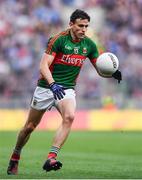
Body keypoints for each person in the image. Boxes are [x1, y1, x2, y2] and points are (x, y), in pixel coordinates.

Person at [7, 9, 122, 175]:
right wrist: (53, 84)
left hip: (67, 89)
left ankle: (51, 157)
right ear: (71, 24)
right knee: (30, 127)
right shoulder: (58, 40)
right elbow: (43, 65)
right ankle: (15, 155)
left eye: (86, 26)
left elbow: (99, 67)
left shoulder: (89, 45)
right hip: (47, 87)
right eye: (80, 25)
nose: (83, 29)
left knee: (69, 117)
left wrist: (112, 72)